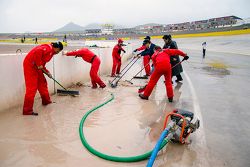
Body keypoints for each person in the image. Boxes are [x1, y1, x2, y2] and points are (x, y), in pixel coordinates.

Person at [23, 42, 63, 116]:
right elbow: (38, 51)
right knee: (32, 88)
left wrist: (47, 72)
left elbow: (42, 64)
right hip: (30, 66)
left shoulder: (51, 52)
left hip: (37, 68)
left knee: (43, 84)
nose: (58, 53)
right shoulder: (48, 47)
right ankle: (27, 111)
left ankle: (46, 101)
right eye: (58, 51)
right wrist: (39, 64)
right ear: (57, 48)